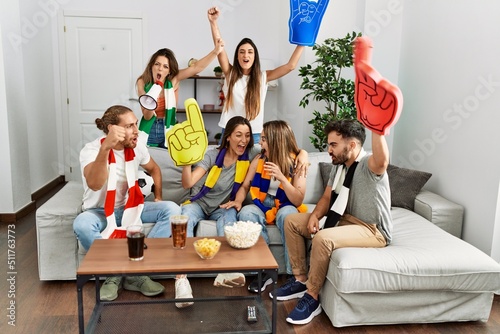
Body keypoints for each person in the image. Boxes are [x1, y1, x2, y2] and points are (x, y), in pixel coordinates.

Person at [270, 119, 392, 325]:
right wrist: (315, 215)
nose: (329, 150)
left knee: (324, 238)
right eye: (329, 145)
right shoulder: (339, 167)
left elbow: (382, 162)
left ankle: (312, 297)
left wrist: (377, 127)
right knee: (291, 221)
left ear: (352, 145)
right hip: (344, 220)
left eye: (333, 145)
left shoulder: (368, 164)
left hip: (371, 229)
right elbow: (326, 198)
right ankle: (300, 278)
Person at [72, 105, 194, 308]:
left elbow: (154, 169)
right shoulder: (91, 150)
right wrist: (105, 149)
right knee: (82, 224)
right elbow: (94, 183)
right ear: (112, 129)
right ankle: (115, 274)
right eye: (130, 126)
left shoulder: (137, 147)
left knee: (172, 209)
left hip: (131, 208)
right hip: (99, 211)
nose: (136, 130)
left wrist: (158, 197)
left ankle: (138, 272)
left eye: (136, 124)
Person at [222, 120, 308, 293]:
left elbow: (298, 200)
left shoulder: (297, 163)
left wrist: (282, 177)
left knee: (288, 215)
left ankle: (294, 277)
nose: (260, 142)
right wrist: (239, 201)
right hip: (263, 202)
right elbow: (245, 186)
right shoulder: (259, 159)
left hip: (286, 203)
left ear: (275, 140)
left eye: (263, 139)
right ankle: (263, 271)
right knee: (247, 212)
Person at [207, 6, 305, 143]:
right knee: (224, 165)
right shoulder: (231, 74)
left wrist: (303, 42)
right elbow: (220, 47)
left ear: (254, 57)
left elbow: (290, 66)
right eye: (242, 52)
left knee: (252, 165)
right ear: (237, 56)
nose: (245, 55)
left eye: (250, 52)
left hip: (254, 134)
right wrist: (213, 22)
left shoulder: (262, 77)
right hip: (229, 132)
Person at [136, 39, 224, 148]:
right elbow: (147, 116)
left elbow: (196, 68)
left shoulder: (174, 80)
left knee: (170, 162)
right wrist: (153, 95)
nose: (160, 69)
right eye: (157, 64)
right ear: (151, 66)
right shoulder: (142, 82)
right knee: (148, 161)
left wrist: (215, 51)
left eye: (165, 66)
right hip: (150, 128)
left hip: (169, 127)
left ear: (169, 71)